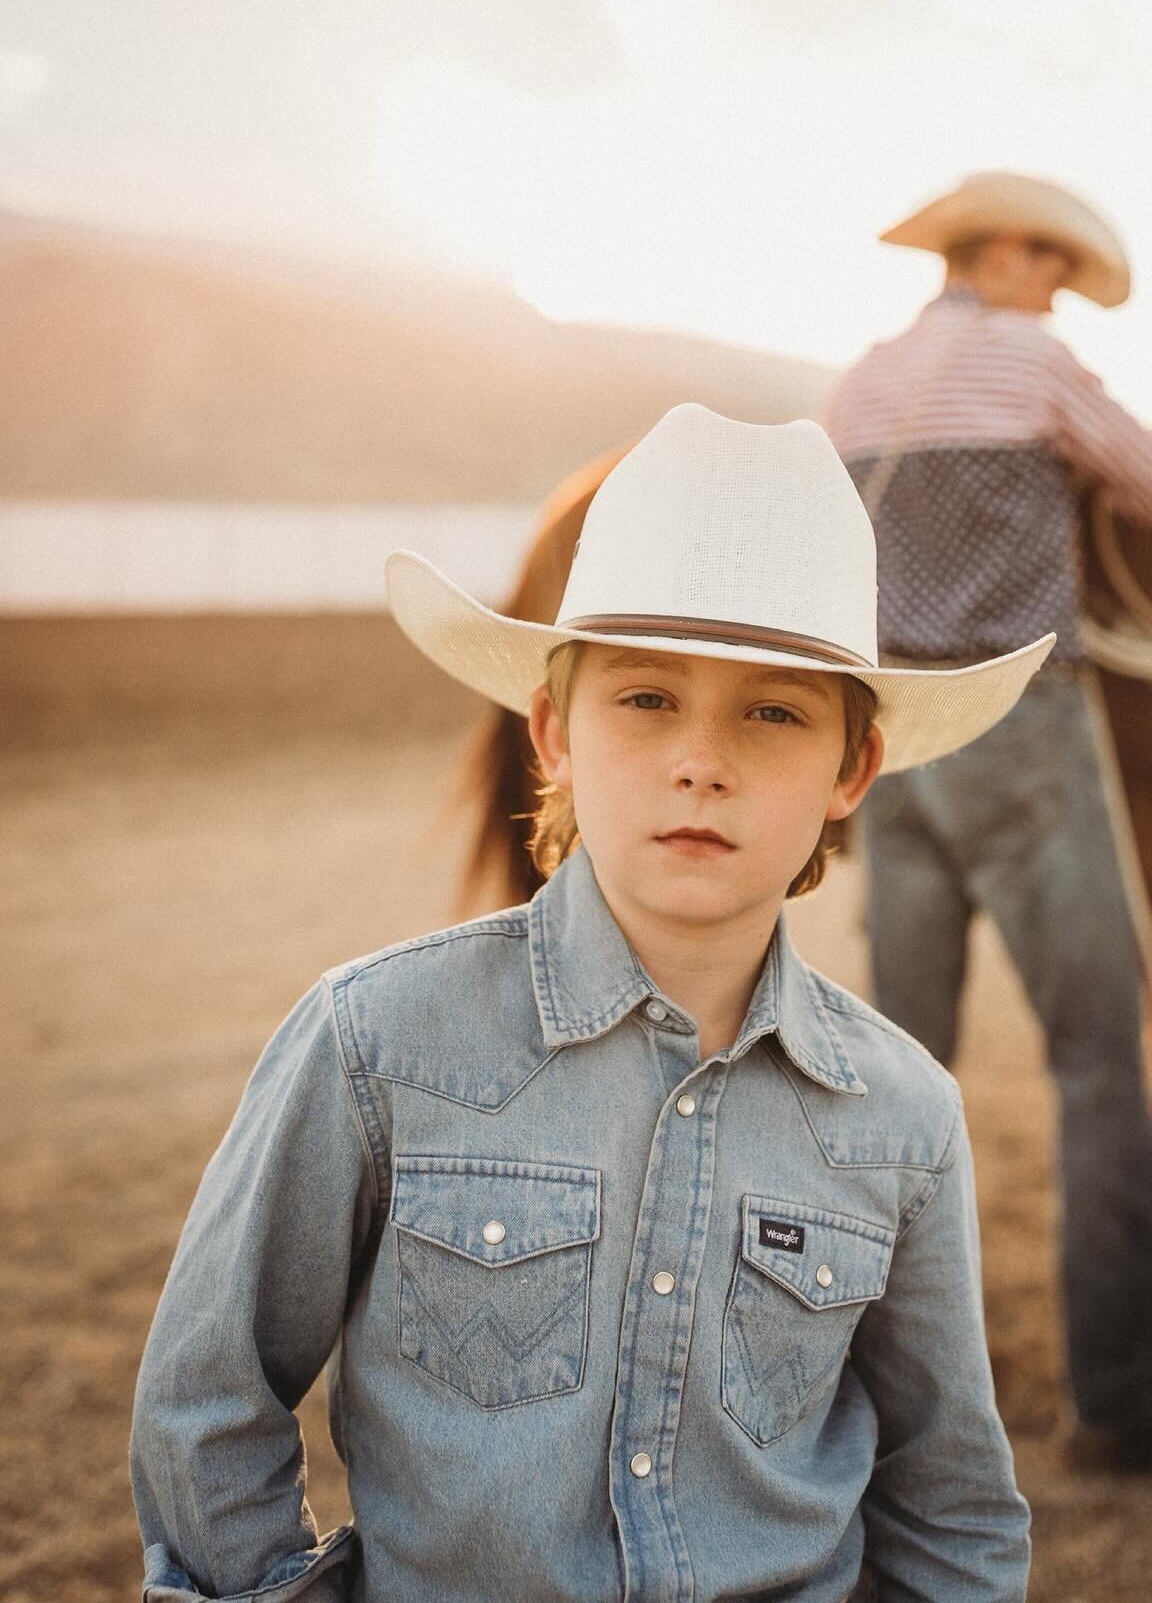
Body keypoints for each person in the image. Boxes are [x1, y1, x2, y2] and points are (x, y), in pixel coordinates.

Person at [130, 404, 1051, 1602]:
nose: (701, 760)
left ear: (851, 771)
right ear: (555, 732)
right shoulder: (380, 1043)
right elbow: (208, 1399)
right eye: (646, 700)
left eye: (773, 713)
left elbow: (952, 1502)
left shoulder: (902, 1117)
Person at [825, 171, 1152, 1471]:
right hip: (1023, 726)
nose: (1056, 285)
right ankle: (1120, 1405)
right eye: (1047, 259)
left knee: (893, 1076)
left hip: (894, 741)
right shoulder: (1033, 362)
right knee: (1097, 1067)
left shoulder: (864, 377)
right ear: (994, 254)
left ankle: (850, 1397)